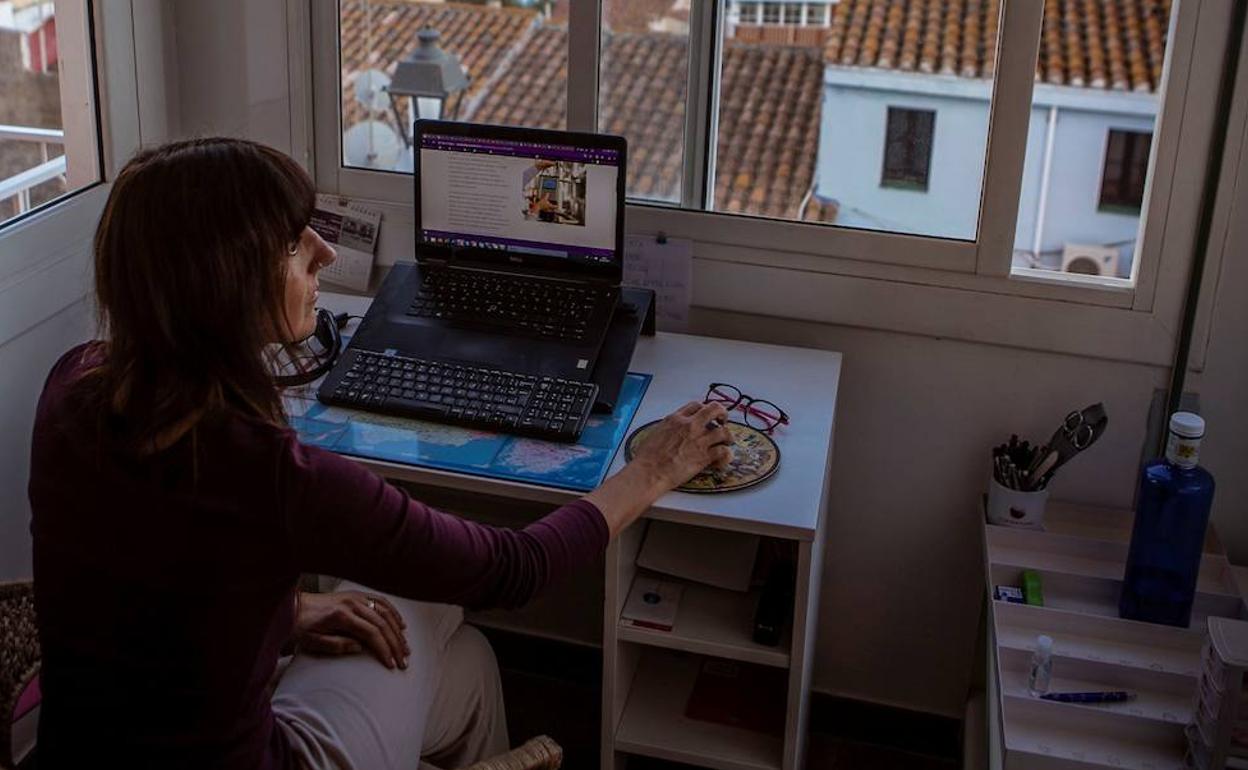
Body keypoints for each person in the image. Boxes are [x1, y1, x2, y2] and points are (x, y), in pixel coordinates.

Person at [27, 138, 732, 770]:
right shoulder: (269, 474)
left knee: (466, 659)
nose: (325, 253)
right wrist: (654, 469)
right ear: (228, 281)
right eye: (293, 243)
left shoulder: (72, 386)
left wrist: (294, 608)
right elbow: (512, 570)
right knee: (418, 603)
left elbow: (158, 576)